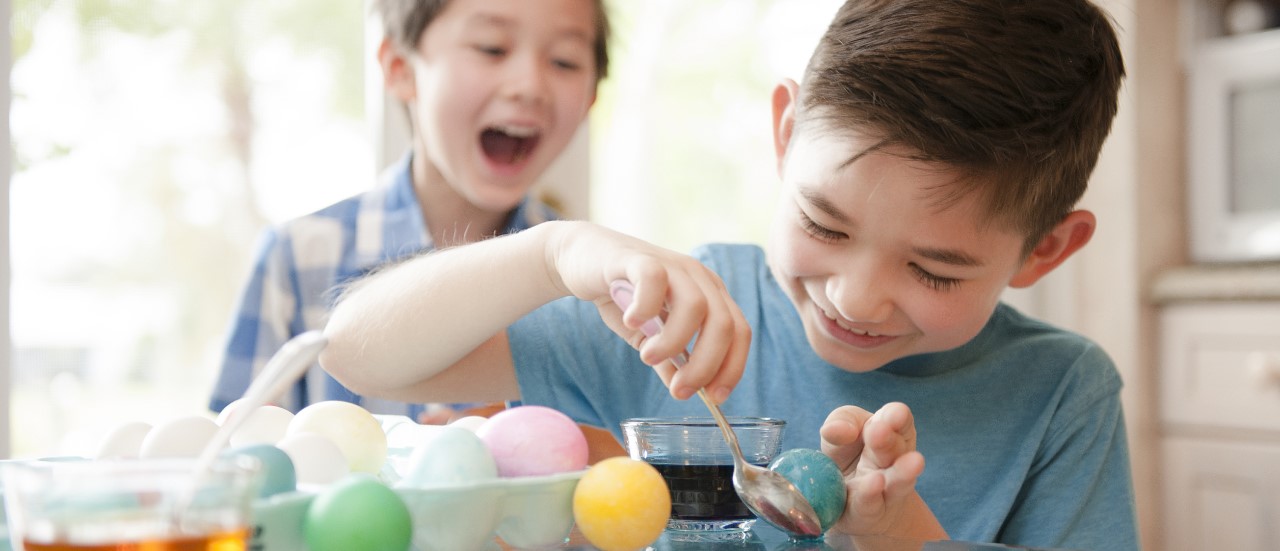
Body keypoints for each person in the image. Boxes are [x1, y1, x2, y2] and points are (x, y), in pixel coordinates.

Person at [320, 0, 1137, 548]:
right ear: (785, 134)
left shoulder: (1061, 393)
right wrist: (551, 253)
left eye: (935, 268)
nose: (854, 296)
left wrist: (898, 534)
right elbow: (355, 351)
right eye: (825, 223)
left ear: (1046, 251)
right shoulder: (679, 321)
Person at [209, 0, 611, 422]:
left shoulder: (592, 284)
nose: (530, 85)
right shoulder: (296, 260)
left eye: (564, 61)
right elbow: (230, 461)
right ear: (401, 67)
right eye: (492, 48)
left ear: (591, 97)